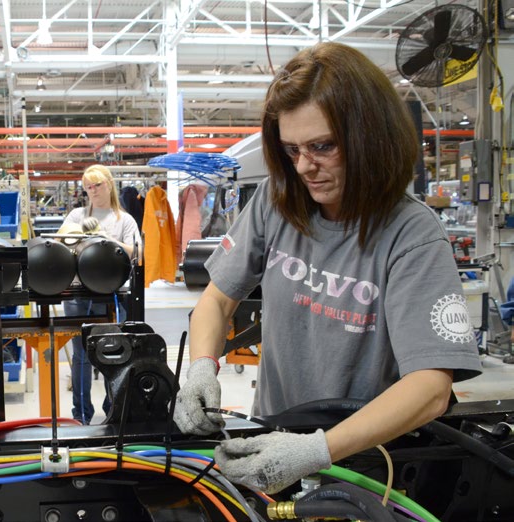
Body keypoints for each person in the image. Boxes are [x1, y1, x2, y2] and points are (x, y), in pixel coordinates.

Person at [173, 42, 483, 494]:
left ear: (370, 137)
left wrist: (316, 450)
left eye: (322, 146)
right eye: (291, 149)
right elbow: (217, 300)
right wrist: (202, 366)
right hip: (271, 442)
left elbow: (430, 387)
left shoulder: (411, 233)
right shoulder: (277, 202)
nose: (304, 166)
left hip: (364, 464)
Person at [62, 164, 142, 424]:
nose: (93, 190)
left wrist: (108, 239)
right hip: (79, 295)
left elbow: (137, 252)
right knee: (82, 356)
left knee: (113, 353)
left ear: (109, 184)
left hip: (112, 295)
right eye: (88, 187)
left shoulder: (124, 220)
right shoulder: (77, 215)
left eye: (98, 185)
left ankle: (113, 410)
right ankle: (81, 414)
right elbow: (61, 243)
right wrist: (78, 234)